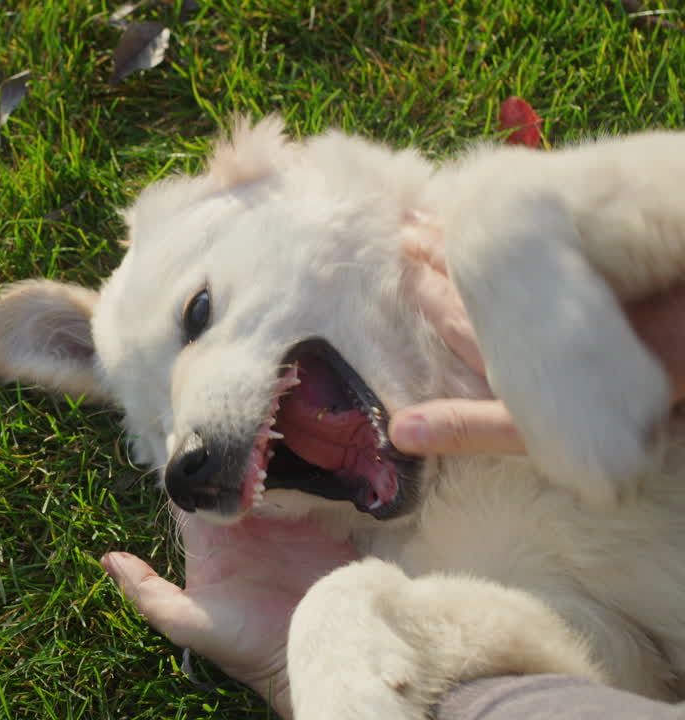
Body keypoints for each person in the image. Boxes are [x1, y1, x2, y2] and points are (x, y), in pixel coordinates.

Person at [100, 244, 685, 719]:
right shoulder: (413, 550)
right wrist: (339, 638)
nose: (185, 445)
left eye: (198, 311)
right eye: (162, 428)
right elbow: (614, 667)